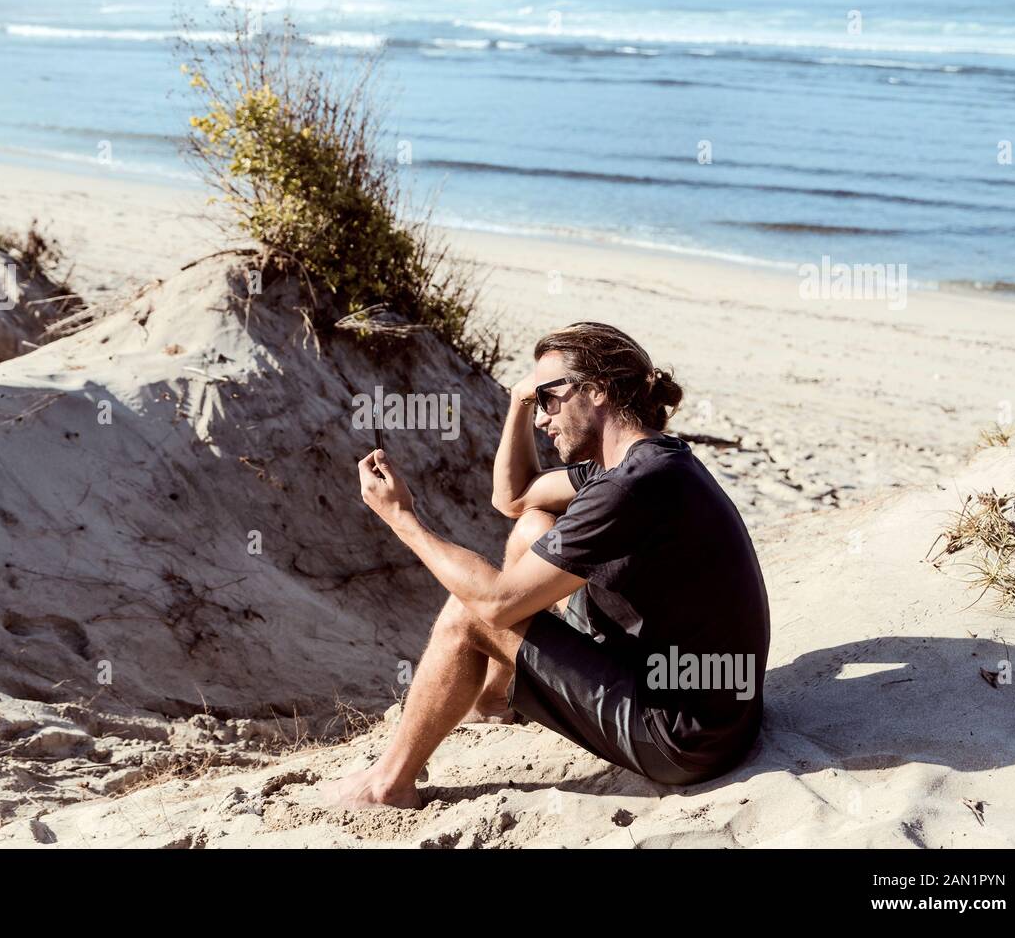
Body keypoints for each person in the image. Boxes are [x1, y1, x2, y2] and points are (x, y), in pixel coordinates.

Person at [322, 322, 770, 810]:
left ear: (597, 391)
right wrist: (520, 401)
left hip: (684, 738)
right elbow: (513, 498)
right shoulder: (640, 459)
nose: (541, 417)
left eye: (550, 399)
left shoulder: (629, 487)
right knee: (536, 525)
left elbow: (493, 603)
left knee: (470, 613)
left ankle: (388, 784)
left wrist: (401, 519)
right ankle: (493, 699)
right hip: (715, 703)